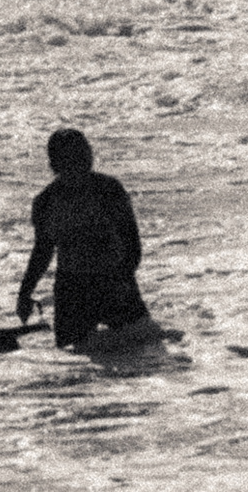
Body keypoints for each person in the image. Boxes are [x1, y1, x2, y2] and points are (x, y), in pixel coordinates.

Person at [15, 128, 149, 351]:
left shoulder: (109, 190)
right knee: (71, 355)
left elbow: (132, 245)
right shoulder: (45, 202)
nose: (78, 165)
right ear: (55, 165)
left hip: (113, 280)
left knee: (143, 346)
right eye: (69, 159)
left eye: (82, 156)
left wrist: (123, 281)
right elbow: (42, 252)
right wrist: (24, 293)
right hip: (72, 288)